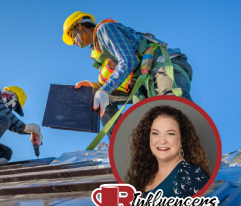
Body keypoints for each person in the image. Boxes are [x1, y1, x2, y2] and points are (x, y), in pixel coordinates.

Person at [62, 11, 193, 140]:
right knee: (101, 102)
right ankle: (123, 145)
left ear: (79, 26)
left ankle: (193, 143)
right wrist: (96, 87)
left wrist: (105, 89)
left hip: (163, 65)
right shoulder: (99, 52)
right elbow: (118, 78)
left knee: (172, 106)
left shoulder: (105, 29)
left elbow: (129, 60)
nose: (73, 42)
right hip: (146, 82)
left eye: (71, 35)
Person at [125, 105, 210, 198]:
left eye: (170, 134)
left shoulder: (192, 176)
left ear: (182, 140)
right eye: (155, 133)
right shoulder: (144, 175)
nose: (162, 141)